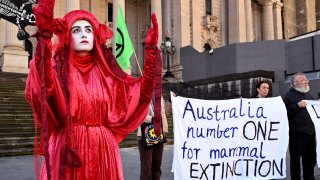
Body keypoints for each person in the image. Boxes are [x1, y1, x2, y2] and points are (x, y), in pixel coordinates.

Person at [25, 0, 161, 179]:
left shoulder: (107, 74)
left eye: (88, 30)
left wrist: (150, 53)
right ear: (66, 36)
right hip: (68, 149)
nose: (84, 34)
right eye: (76, 30)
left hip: (103, 151)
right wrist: (44, 37)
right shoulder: (58, 69)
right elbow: (44, 83)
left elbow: (141, 93)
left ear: (95, 36)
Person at [282, 72, 316, 180]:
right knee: (296, 161)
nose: (306, 82)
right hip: (297, 134)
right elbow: (283, 113)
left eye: (306, 80)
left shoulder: (309, 95)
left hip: (310, 133)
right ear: (295, 83)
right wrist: (297, 105)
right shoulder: (288, 96)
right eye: (303, 80)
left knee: (310, 160)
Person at [137, 96, 168, 180]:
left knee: (157, 166)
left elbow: (163, 112)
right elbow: (138, 114)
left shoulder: (160, 95)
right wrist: (154, 119)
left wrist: (174, 100)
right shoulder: (141, 93)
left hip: (159, 133)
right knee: (146, 167)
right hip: (144, 134)